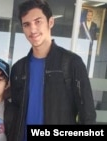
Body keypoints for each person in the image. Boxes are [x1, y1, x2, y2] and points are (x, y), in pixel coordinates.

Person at [10, 0, 96, 140]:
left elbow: (88, 116)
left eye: (38, 21)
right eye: (27, 24)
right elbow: (14, 115)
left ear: (50, 22)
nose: (32, 29)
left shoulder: (72, 63)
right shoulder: (18, 69)